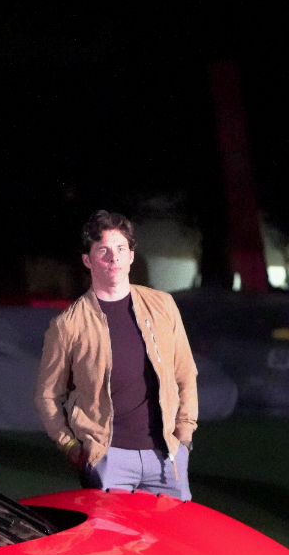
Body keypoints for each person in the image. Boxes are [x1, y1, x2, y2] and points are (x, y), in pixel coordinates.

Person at [35, 209, 198, 499]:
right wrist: (73, 448)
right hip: (109, 460)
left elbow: (185, 374)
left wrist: (183, 438)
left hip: (166, 457)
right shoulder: (68, 325)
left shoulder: (163, 307)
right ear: (87, 260)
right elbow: (47, 395)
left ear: (132, 255)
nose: (115, 259)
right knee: (111, 544)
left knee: (171, 542)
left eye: (121, 249)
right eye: (104, 251)